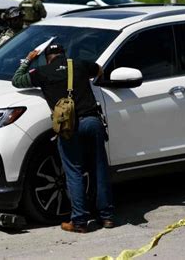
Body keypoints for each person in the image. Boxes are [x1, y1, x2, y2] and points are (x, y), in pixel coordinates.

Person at [12, 43, 114, 233]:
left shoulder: (41, 72)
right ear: (64, 54)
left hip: (69, 128)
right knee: (99, 169)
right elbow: (99, 70)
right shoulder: (80, 64)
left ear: (47, 57)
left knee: (74, 172)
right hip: (92, 122)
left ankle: (80, 222)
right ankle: (106, 217)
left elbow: (17, 80)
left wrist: (28, 60)